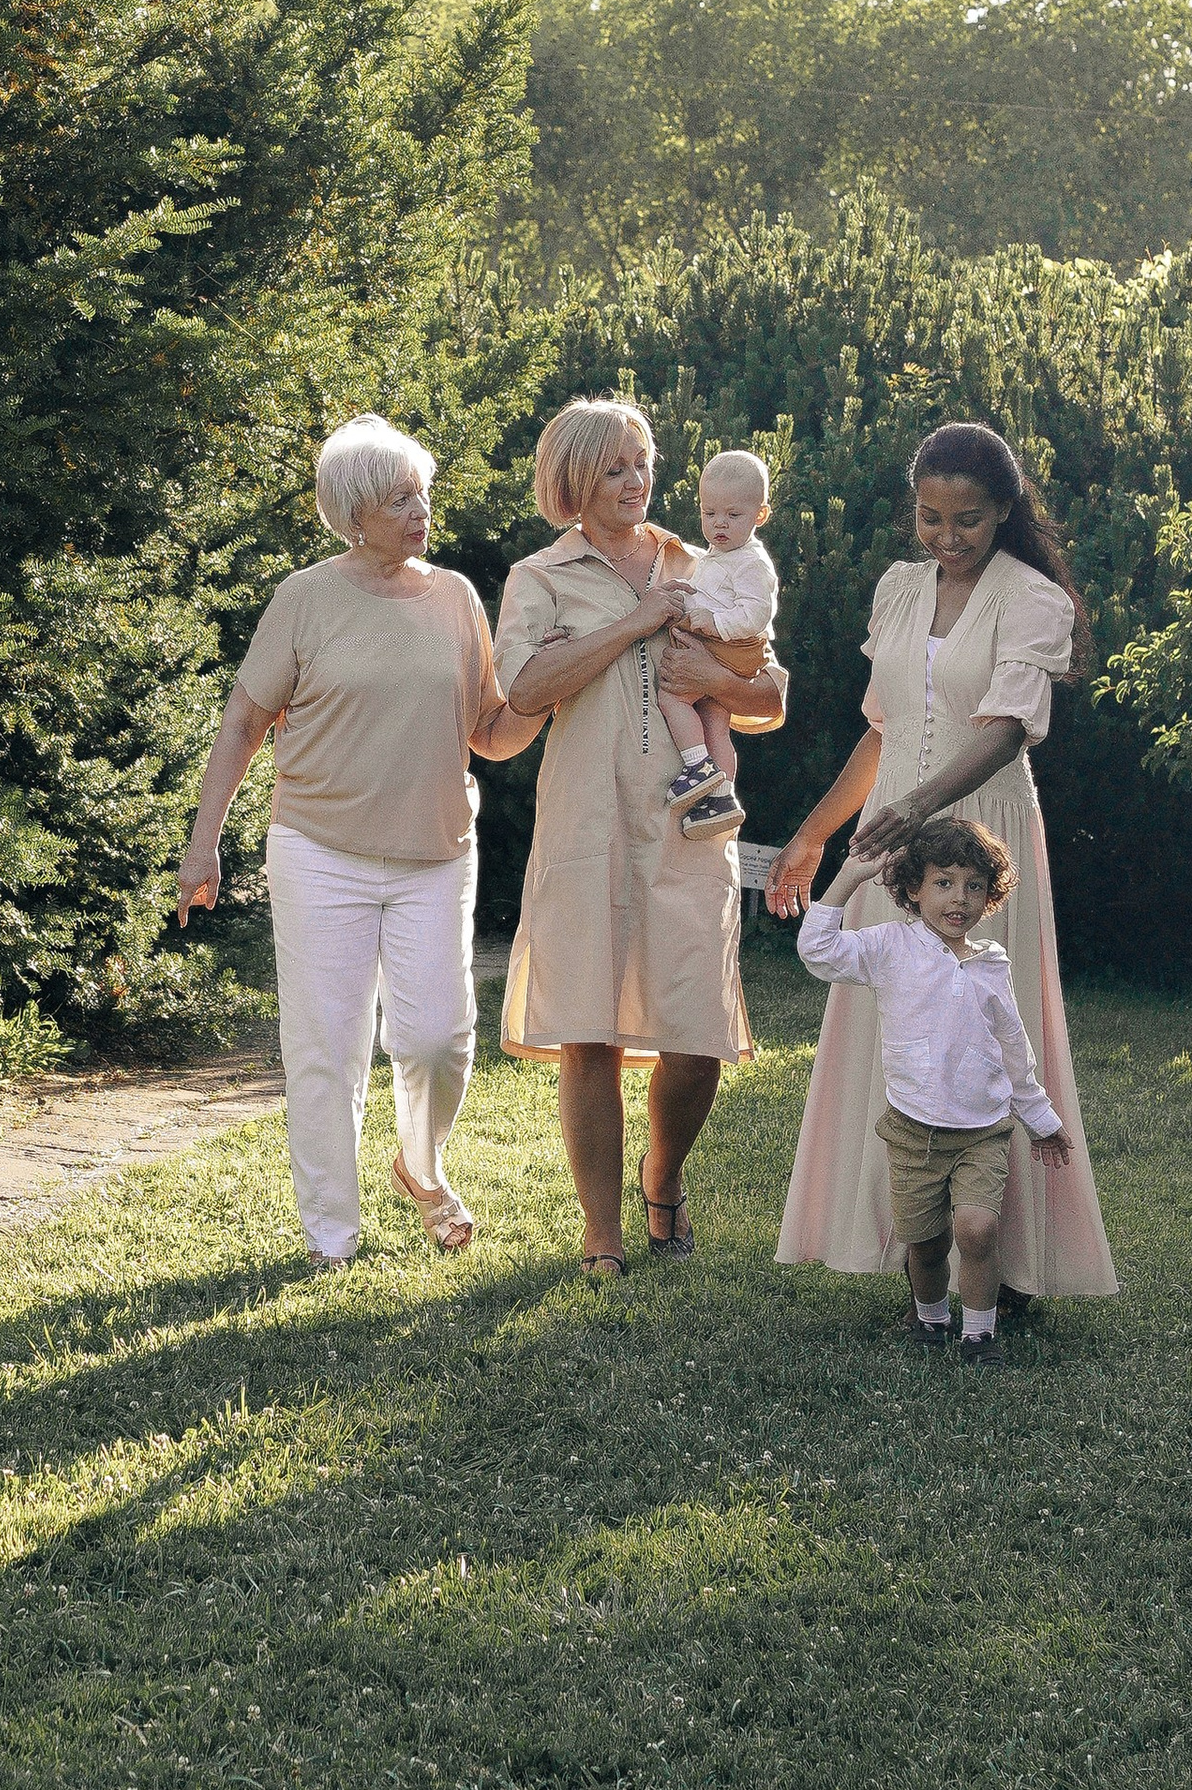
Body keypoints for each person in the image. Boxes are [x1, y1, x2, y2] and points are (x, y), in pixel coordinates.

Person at [766, 418, 1118, 1313]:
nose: (946, 537)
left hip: (979, 836)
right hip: (893, 842)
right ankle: (906, 1249)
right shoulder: (897, 589)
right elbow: (882, 732)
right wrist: (814, 834)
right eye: (929, 518)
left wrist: (919, 811)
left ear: (1002, 511)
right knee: (895, 1020)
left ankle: (1006, 1268)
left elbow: (1004, 730)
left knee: (984, 1031)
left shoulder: (1033, 599)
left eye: (966, 520)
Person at [176, 417, 538, 1272]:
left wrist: (555, 688)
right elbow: (243, 721)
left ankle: (420, 1166)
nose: (420, 511)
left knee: (439, 1040)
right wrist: (204, 843)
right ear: (352, 514)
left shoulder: (454, 596)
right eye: (397, 499)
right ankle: (331, 1239)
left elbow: (488, 730)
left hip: (436, 853)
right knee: (327, 1048)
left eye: (422, 493)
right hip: (319, 850)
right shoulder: (304, 598)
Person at [494, 397, 787, 1272]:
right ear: (575, 478)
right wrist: (636, 622)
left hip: (691, 827)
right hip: (588, 822)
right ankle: (603, 1233)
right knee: (589, 1030)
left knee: (697, 1037)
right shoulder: (539, 578)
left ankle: (664, 1174)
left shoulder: (699, 559)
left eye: (643, 462)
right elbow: (520, 686)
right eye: (616, 466)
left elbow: (771, 692)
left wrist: (714, 677)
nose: (636, 480)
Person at [795, 815, 1073, 1355]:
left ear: (989, 896)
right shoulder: (890, 948)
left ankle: (979, 1332)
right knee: (924, 1242)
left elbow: (1014, 1048)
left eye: (974, 886)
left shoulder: (992, 963)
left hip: (982, 1131)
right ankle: (930, 1319)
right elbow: (818, 951)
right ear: (914, 889)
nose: (959, 898)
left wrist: (1041, 1120)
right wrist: (848, 878)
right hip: (913, 1129)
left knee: (976, 1231)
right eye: (944, 882)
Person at [654, 448, 780, 839]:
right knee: (715, 722)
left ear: (760, 515)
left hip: (733, 648)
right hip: (724, 648)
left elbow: (757, 613)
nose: (719, 524)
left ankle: (696, 765)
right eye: (710, 514)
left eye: (733, 515)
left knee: (672, 697)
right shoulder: (720, 555)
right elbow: (712, 595)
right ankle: (722, 796)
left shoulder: (751, 562)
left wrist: (714, 623)